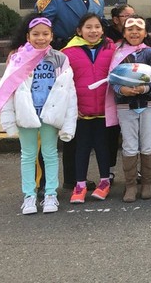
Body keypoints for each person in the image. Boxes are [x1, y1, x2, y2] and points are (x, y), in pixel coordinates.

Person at [0, 15, 77, 215]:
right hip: (26, 114)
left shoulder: (60, 58)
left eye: (45, 34)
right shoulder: (18, 58)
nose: (41, 38)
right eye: (36, 34)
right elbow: (7, 91)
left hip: (49, 115)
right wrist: (8, 119)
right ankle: (29, 195)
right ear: (27, 36)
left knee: (50, 154)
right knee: (27, 156)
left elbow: (69, 91)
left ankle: (50, 194)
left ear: (52, 36)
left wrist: (68, 121)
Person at [35, 0, 105, 190]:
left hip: (86, 69)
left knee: (76, 124)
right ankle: (44, 183)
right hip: (58, 68)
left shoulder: (97, 1)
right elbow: (39, 29)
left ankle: (73, 178)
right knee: (51, 125)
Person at [62, 13, 116, 203]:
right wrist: (71, 108)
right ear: (79, 30)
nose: (93, 31)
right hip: (81, 112)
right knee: (81, 148)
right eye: (88, 27)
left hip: (104, 110)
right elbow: (63, 85)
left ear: (102, 30)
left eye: (97, 27)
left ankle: (104, 182)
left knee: (103, 147)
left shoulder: (111, 49)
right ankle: (80, 184)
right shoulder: (68, 53)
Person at [109, 16, 151, 202]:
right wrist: (120, 89)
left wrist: (145, 88)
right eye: (130, 29)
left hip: (147, 103)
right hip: (125, 103)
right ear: (123, 33)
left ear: (145, 33)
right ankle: (130, 185)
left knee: (147, 142)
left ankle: (147, 183)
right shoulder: (116, 52)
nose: (134, 32)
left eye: (139, 29)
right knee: (129, 144)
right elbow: (112, 78)